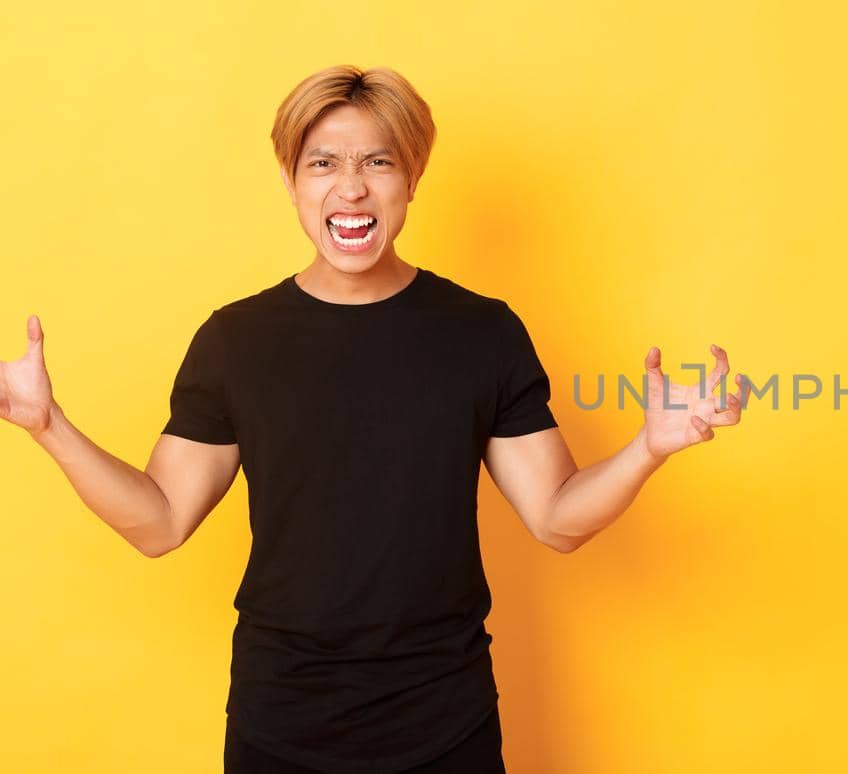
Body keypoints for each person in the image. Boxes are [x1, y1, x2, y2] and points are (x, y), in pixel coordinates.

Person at [0, 64, 752, 773]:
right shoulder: (237, 340)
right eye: (323, 164)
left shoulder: (481, 332)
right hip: (280, 721)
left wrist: (648, 449)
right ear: (292, 183)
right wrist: (48, 426)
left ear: (413, 179)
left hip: (445, 719)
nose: (351, 189)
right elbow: (159, 523)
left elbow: (557, 519)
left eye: (379, 163)